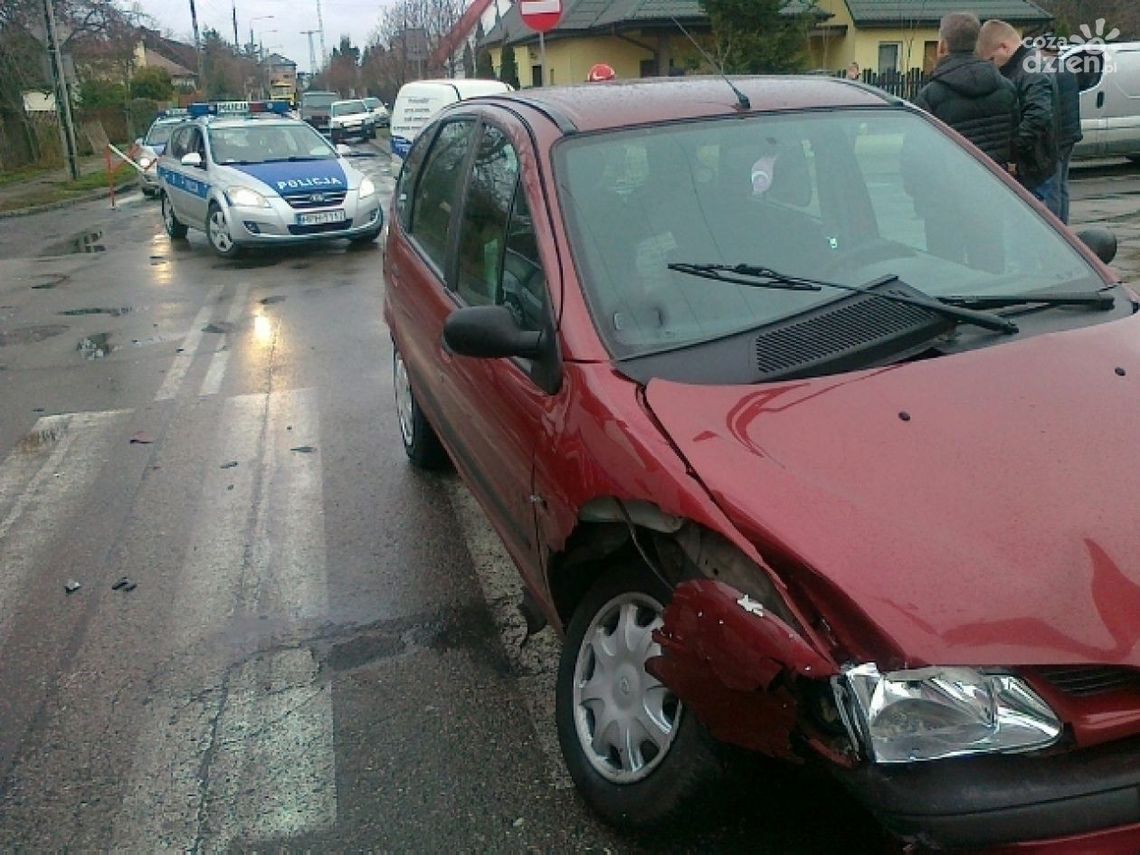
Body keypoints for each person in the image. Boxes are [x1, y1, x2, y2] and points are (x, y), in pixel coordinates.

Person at [978, 19, 1060, 215]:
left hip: (1032, 168)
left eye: (990, 60)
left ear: (1004, 47)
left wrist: (1012, 153)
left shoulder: (1031, 71)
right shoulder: (1028, 67)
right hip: (1033, 164)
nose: (992, 67)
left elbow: (1037, 117)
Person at [914, 12, 1017, 168]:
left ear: (943, 46)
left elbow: (918, 151)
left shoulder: (930, 96)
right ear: (976, 44)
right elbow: (1015, 138)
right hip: (995, 183)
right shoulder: (1006, 87)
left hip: (952, 184)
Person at [1043, 40, 1082, 223]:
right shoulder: (1066, 69)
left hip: (1058, 137)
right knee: (1062, 184)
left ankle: (1055, 226)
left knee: (1053, 186)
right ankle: (1064, 223)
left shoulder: (1049, 72)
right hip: (1070, 134)